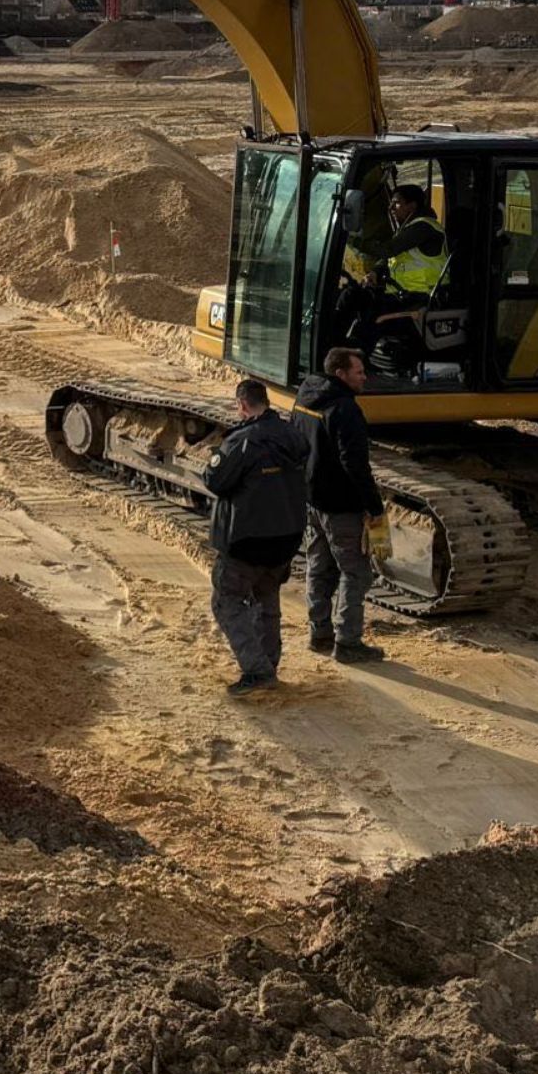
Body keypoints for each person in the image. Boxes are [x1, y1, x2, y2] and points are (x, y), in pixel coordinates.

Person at [203, 378, 309, 696]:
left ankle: (257, 669)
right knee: (267, 597)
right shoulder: (293, 435)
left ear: (243, 405)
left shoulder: (242, 442)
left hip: (247, 539)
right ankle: (269, 664)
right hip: (286, 536)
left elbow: (216, 480)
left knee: (227, 600)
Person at [292, 347, 391, 664]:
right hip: (340, 505)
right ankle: (348, 643)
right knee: (356, 571)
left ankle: (319, 633)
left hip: (312, 498)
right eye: (359, 371)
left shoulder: (306, 396)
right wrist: (374, 507)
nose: (365, 376)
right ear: (341, 374)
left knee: (319, 567)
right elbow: (355, 464)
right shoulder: (345, 409)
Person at [338, 184, 449, 360]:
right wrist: (375, 272)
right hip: (399, 294)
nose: (390, 208)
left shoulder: (424, 228)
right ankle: (335, 347)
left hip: (420, 297)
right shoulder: (406, 228)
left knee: (373, 315)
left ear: (412, 206)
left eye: (396, 203)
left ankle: (355, 361)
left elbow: (387, 250)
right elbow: (391, 258)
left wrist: (350, 239)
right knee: (350, 296)